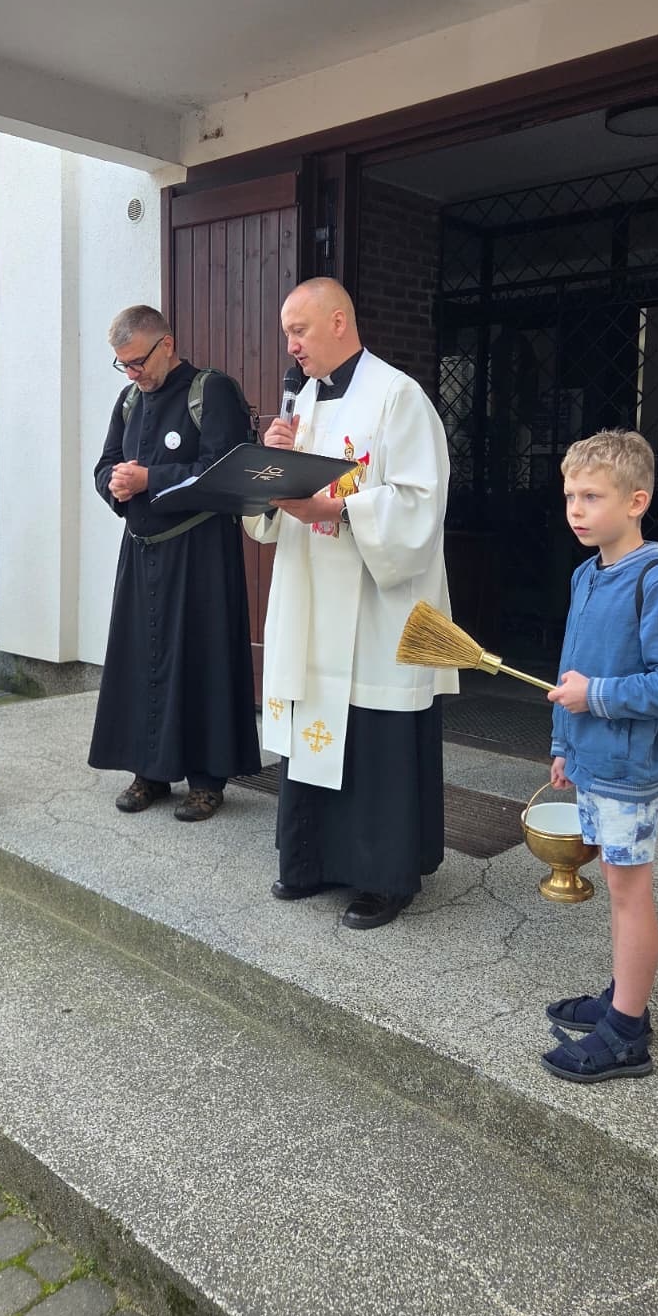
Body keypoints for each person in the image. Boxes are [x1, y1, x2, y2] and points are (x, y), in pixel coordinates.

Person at [245, 278, 458, 930]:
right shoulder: (302, 403)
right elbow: (273, 513)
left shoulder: (398, 397)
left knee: (372, 736)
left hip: (374, 606)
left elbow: (420, 503)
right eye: (287, 333)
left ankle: (382, 876)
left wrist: (333, 509)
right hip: (311, 596)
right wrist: (271, 467)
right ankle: (311, 859)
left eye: (300, 330)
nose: (291, 345)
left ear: (339, 321)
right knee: (314, 725)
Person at [543, 429, 658, 1083]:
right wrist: (563, 742)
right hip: (591, 761)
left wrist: (596, 697)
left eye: (592, 496)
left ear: (636, 501)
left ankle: (628, 1032)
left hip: (629, 770)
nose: (576, 509)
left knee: (628, 892)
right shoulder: (586, 575)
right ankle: (620, 997)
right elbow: (571, 668)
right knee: (617, 887)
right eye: (570, 496)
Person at [89, 306, 260, 821]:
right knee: (142, 659)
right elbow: (105, 464)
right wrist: (116, 486)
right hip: (141, 551)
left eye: (137, 362)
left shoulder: (212, 391)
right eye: (122, 365)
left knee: (202, 659)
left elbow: (225, 471)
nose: (132, 374)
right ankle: (150, 772)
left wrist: (150, 479)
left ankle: (207, 781)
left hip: (200, 553)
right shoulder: (128, 400)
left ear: (166, 344)